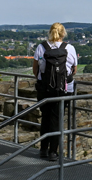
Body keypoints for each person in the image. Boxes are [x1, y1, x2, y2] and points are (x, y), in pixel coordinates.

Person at [33, 22, 77, 161]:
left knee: (46, 117)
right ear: (63, 33)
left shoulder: (41, 47)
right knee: (57, 119)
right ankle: (53, 152)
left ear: (50, 32)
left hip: (45, 89)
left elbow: (36, 70)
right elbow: (74, 70)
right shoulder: (69, 48)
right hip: (64, 90)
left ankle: (43, 149)